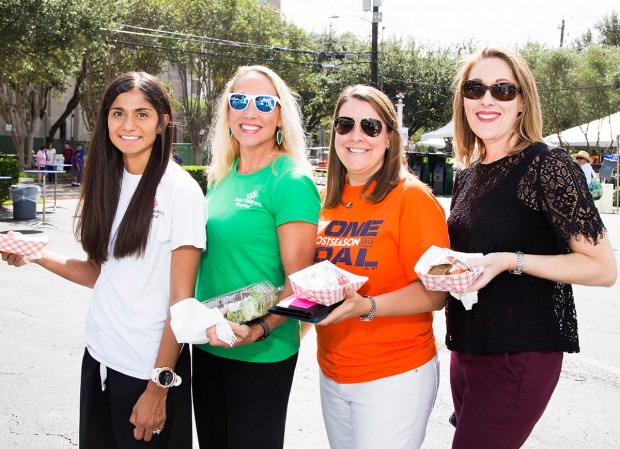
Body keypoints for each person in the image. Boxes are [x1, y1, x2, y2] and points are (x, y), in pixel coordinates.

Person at [1, 71, 207, 449]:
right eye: (118, 113)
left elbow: (183, 306)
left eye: (142, 114)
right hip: (98, 361)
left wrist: (158, 388)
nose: (128, 124)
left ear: (163, 123)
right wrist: (37, 255)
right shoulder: (108, 181)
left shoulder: (181, 191)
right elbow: (102, 274)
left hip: (147, 374)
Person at [446, 47, 617, 449]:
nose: (487, 99)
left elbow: (602, 268)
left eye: (503, 90)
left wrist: (511, 261)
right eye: (475, 88)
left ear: (522, 102)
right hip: (467, 347)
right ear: (464, 100)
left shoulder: (548, 165)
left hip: (518, 352)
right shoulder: (468, 175)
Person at [313, 84, 450, 449]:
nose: (356, 136)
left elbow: (437, 293)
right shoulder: (327, 200)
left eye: (370, 127)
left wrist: (368, 307)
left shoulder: (413, 199)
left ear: (390, 137)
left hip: (395, 375)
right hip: (332, 371)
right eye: (345, 125)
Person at [191, 65, 321, 449]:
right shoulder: (220, 177)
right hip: (209, 342)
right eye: (239, 101)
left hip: (262, 350)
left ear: (280, 115)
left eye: (264, 102)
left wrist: (260, 329)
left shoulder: (290, 181)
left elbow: (302, 286)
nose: (250, 112)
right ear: (227, 113)